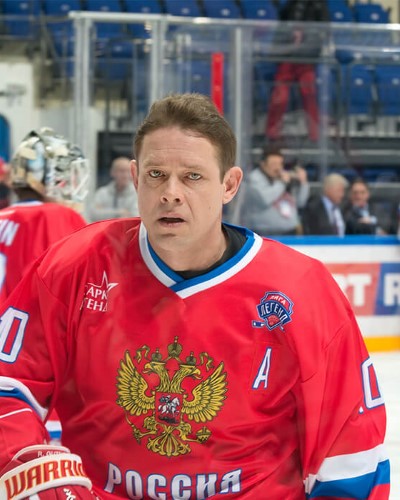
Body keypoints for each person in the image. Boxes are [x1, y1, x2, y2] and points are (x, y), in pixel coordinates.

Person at [0, 93, 390, 499]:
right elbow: (8, 383)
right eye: (156, 174)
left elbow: (350, 455)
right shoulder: (75, 267)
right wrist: (22, 463)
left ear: (229, 185)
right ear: (135, 177)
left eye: (192, 177)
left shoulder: (301, 290)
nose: (170, 193)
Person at [0, 127, 89, 303]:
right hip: (27, 319)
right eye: (63, 176)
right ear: (47, 177)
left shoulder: (4, 215)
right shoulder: (57, 216)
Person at [266, 0, 329, 142]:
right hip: (289, 56)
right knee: (280, 95)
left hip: (306, 58)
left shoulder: (318, 5)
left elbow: (324, 29)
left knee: (309, 94)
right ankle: (272, 133)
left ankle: (315, 135)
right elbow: (282, 27)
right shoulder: (290, 4)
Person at [241, 145, 309, 235]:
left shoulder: (281, 178)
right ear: (263, 164)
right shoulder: (254, 178)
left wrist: (303, 183)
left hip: (291, 232)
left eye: (280, 164)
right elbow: (265, 199)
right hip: (266, 233)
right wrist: (282, 183)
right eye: (273, 164)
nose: (278, 168)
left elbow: (300, 202)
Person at [90, 156, 139, 222]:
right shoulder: (102, 193)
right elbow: (94, 214)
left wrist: (105, 212)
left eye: (128, 171)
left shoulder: (137, 194)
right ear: (112, 172)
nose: (125, 175)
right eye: (122, 171)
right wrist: (120, 212)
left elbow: (136, 217)